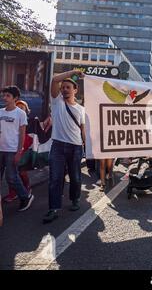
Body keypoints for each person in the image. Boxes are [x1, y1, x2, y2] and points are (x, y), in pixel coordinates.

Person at [43, 70, 86, 224]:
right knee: (55, 178)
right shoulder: (57, 102)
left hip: (76, 147)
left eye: (68, 87)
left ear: (75, 90)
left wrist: (86, 146)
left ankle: (75, 199)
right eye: (63, 87)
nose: (65, 89)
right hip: (58, 147)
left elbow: (82, 129)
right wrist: (74, 72)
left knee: (75, 177)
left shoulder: (81, 109)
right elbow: (54, 80)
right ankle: (53, 208)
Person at [0, 86, 34, 212]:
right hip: (0, 149)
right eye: (4, 95)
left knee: (11, 177)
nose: (5, 98)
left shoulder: (20, 113)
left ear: (15, 98)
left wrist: (19, 152)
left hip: (12, 150)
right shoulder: (0, 112)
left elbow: (22, 134)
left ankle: (26, 196)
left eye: (8, 96)